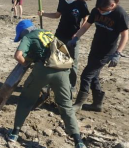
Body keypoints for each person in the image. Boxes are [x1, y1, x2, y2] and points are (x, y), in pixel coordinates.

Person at [7, 20, 86, 148]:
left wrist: (27, 63)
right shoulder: (47, 32)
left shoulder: (28, 36)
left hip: (43, 70)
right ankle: (78, 141)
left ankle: (15, 133)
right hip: (63, 71)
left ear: (24, 32)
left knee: (26, 99)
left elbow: (18, 56)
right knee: (66, 105)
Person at [69, 0, 129, 112]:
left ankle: (78, 104)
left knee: (86, 75)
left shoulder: (120, 14)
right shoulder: (96, 11)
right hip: (95, 48)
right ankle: (97, 104)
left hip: (107, 52)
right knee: (94, 76)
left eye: (103, 10)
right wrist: (76, 37)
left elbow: (125, 35)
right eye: (99, 9)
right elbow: (86, 26)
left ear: (112, 5)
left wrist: (118, 53)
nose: (101, 12)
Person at [38, 0, 90, 92]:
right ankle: (51, 83)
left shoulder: (81, 4)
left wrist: (79, 32)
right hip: (60, 34)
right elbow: (57, 15)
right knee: (55, 58)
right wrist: (44, 14)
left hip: (73, 37)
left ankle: (71, 86)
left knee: (72, 62)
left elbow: (86, 19)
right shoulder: (62, 1)